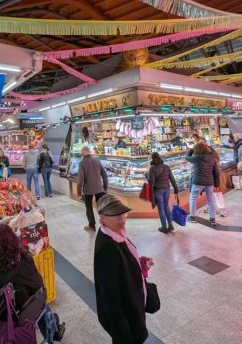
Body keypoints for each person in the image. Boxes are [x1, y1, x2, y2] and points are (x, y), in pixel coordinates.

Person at [0, 223, 65, 343]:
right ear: (13, 241)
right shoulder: (22, 263)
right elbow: (37, 285)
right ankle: (54, 330)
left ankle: (54, 328)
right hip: (9, 323)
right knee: (39, 297)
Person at [94, 194, 151, 344]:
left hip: (132, 303)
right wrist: (122, 332)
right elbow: (110, 297)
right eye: (116, 215)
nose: (122, 218)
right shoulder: (106, 249)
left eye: (123, 213)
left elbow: (120, 268)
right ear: (102, 217)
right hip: (125, 317)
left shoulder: (117, 233)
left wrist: (138, 263)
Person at [186, 142, 220, 226]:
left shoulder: (196, 158)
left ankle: (192, 217)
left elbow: (186, 157)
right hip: (209, 182)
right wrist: (217, 184)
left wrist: (191, 150)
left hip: (198, 182)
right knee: (210, 200)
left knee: (193, 199)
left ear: (196, 150)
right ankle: (212, 219)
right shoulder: (212, 158)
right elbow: (216, 172)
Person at [78, 146, 108, 232]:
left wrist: (79, 192)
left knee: (89, 208)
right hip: (99, 188)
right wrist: (105, 187)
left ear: (83, 153)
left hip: (88, 189)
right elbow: (104, 175)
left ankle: (92, 226)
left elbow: (80, 179)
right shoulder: (97, 160)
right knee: (102, 207)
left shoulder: (82, 163)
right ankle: (106, 224)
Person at [148, 152, 178, 234]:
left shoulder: (152, 169)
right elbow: (172, 179)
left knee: (161, 208)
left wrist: (151, 191)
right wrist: (175, 188)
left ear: (152, 159)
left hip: (158, 190)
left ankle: (164, 227)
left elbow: (151, 182)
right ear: (160, 158)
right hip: (167, 189)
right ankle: (170, 225)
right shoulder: (166, 167)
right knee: (166, 206)